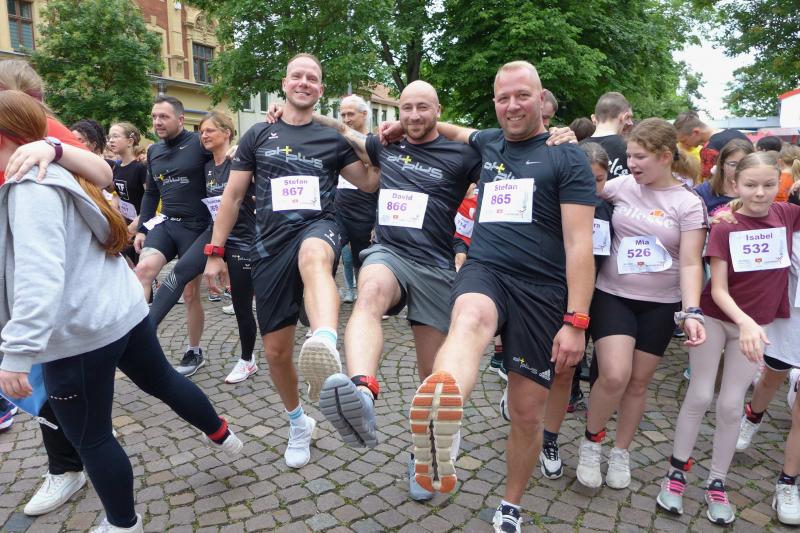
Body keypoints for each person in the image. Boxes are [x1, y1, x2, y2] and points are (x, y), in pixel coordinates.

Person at [0, 90, 242, 533]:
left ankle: (123, 524)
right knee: (162, 379)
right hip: (121, 309)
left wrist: (17, 352)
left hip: (81, 332)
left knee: (91, 437)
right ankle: (222, 433)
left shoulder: (30, 185)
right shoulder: (59, 166)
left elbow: (39, 276)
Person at [399, 61, 595, 533]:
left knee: (526, 414)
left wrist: (576, 320)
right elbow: (452, 128)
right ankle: (441, 418)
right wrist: (399, 125)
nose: (512, 105)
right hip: (486, 269)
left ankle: (510, 505)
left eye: (522, 95)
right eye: (503, 97)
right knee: (469, 316)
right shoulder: (490, 143)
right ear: (494, 102)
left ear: (542, 99)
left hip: (542, 292)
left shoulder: (567, 158)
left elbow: (579, 244)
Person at [306, 80, 482, 502]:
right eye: (406, 108)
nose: (414, 116)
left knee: (432, 378)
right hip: (391, 252)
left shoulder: (462, 154)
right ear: (397, 111)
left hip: (436, 266)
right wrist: (303, 112)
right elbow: (342, 130)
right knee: (368, 294)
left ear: (438, 109)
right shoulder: (385, 146)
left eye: (423, 107)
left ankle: (427, 453)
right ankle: (362, 393)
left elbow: (504, 152)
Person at [204, 53, 378, 469]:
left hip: (320, 225)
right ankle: (299, 422)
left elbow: (371, 181)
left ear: (320, 90)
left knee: (315, 255)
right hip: (269, 245)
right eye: (297, 76)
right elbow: (232, 196)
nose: (304, 82)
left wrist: (346, 130)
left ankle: (324, 341)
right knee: (276, 351)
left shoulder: (332, 139)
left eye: (312, 78)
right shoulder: (258, 135)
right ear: (284, 84)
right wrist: (215, 252)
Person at [656, 151, 800, 525]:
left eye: (769, 185)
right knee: (701, 394)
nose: (760, 193)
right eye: (751, 185)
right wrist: (746, 322)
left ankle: (717, 481)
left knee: (733, 405)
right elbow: (717, 289)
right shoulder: (725, 225)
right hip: (718, 319)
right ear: (735, 184)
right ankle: (675, 473)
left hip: (755, 327)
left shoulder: (787, 215)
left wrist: (752, 325)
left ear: (781, 183)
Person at [577, 118, 707, 493]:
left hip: (661, 304)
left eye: (639, 157)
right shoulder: (621, 186)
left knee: (637, 383)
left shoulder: (688, 203)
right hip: (613, 295)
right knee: (614, 374)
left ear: (665, 157)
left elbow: (690, 263)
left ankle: (621, 451)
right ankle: (592, 442)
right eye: (630, 156)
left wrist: (692, 311)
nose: (631, 164)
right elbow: (580, 192)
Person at [148, 111, 259, 384]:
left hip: (243, 238)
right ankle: (143, 333)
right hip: (214, 233)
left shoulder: (242, 162)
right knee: (180, 272)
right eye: (201, 132)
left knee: (241, 304)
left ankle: (247, 360)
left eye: (210, 130)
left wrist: (243, 152)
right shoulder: (207, 166)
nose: (204, 135)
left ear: (227, 133)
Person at [526, 141, 613, 483]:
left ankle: (549, 439)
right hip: (545, 294)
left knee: (565, 371)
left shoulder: (610, 209)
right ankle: (525, 423)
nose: (591, 187)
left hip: (586, 301)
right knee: (534, 368)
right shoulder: (552, 203)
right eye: (585, 179)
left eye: (599, 180)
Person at [133, 95, 212, 376]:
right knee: (143, 270)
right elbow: (151, 192)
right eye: (154, 117)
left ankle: (194, 351)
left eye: (163, 117)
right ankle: (139, 340)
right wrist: (142, 227)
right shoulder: (154, 150)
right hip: (166, 223)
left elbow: (224, 162)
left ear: (180, 119)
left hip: (196, 227)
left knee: (190, 292)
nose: (157, 122)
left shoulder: (199, 143)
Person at [334, 94, 378, 302]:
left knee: (364, 259)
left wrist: (377, 222)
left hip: (365, 212)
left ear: (364, 114)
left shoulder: (374, 142)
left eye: (350, 114)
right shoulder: (338, 141)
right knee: (332, 253)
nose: (346, 119)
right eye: (342, 114)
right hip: (339, 208)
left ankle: (367, 299)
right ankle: (326, 297)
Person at [106, 122, 147, 267]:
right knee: (126, 267)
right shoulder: (117, 166)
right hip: (125, 225)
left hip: (142, 226)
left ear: (130, 141)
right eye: (109, 137)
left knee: (141, 270)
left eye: (116, 136)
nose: (111, 140)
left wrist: (138, 223)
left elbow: (152, 197)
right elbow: (116, 192)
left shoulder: (141, 167)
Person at [694, 139, 754, 217]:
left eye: (745, 164)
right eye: (733, 164)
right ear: (722, 164)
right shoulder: (703, 192)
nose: (739, 169)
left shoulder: (759, 191)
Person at [587, 92, 633, 179]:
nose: (631, 123)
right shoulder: (630, 149)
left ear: (595, 117)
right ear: (623, 117)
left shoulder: (577, 149)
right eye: (629, 117)